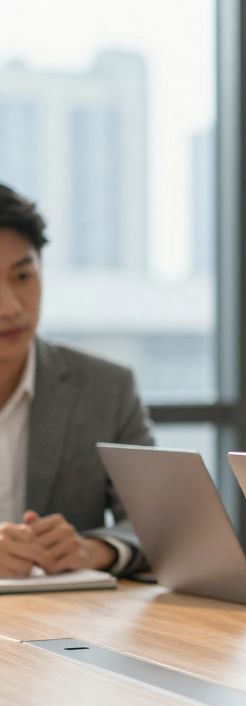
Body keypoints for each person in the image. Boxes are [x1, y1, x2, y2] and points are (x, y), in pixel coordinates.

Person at [0, 183, 153, 579]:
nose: (10, 307)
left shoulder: (105, 388)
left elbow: (157, 523)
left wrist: (94, 550)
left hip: (66, 628)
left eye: (22, 276)